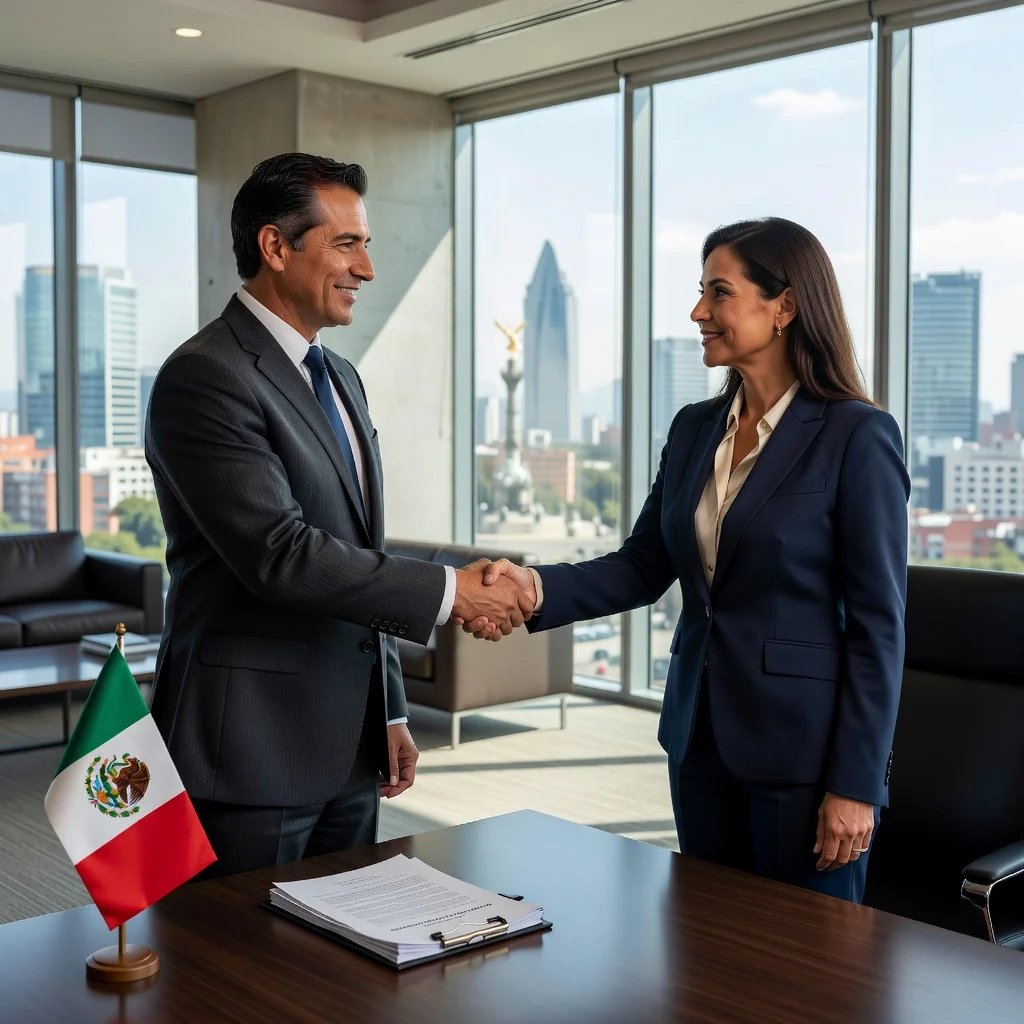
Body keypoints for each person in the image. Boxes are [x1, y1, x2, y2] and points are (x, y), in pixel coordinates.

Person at [461, 218, 910, 903]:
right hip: (698, 741)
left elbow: (879, 628)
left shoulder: (857, 435)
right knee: (705, 941)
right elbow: (643, 564)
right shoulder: (695, 428)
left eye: (719, 293)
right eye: (700, 292)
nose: (699, 312)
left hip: (804, 761)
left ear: (785, 306)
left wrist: (857, 783)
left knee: (806, 960)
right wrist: (533, 586)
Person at [145, 153, 531, 877]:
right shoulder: (205, 376)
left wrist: (389, 708)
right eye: (346, 244)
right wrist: (452, 591)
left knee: (348, 943)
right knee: (243, 948)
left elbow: (358, 549)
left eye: (367, 244)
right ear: (275, 246)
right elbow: (281, 555)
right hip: (249, 748)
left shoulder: (341, 378)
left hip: (353, 747)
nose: (367, 269)